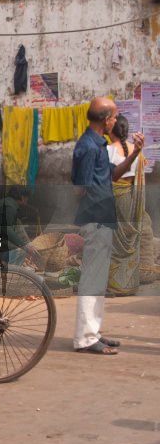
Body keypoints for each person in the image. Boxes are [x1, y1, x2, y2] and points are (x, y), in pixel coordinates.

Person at [71, 97, 136, 355]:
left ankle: (93, 332)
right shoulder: (88, 147)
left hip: (102, 218)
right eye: (113, 117)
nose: (115, 121)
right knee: (92, 279)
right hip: (96, 219)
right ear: (106, 119)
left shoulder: (97, 144)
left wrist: (136, 153)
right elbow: (80, 188)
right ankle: (85, 338)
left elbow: (113, 174)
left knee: (98, 280)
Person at [106, 113, 150, 296]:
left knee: (114, 241)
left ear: (111, 130)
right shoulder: (137, 151)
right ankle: (129, 285)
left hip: (115, 199)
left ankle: (115, 286)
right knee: (131, 240)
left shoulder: (108, 150)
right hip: (133, 199)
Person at [0, 186, 41, 266]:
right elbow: (6, 229)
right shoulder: (9, 206)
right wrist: (25, 246)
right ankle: (12, 270)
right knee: (21, 251)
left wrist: (28, 244)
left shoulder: (9, 203)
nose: (27, 200)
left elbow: (16, 227)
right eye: (27, 198)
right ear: (22, 197)